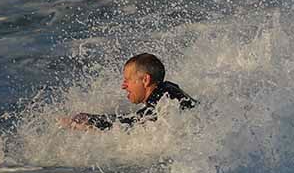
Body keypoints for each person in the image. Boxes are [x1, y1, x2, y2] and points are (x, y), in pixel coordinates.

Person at [60, 53, 197, 131]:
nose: (123, 86)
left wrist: (89, 121)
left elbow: (130, 123)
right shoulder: (168, 90)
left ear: (145, 80)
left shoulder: (164, 101)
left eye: (128, 80)